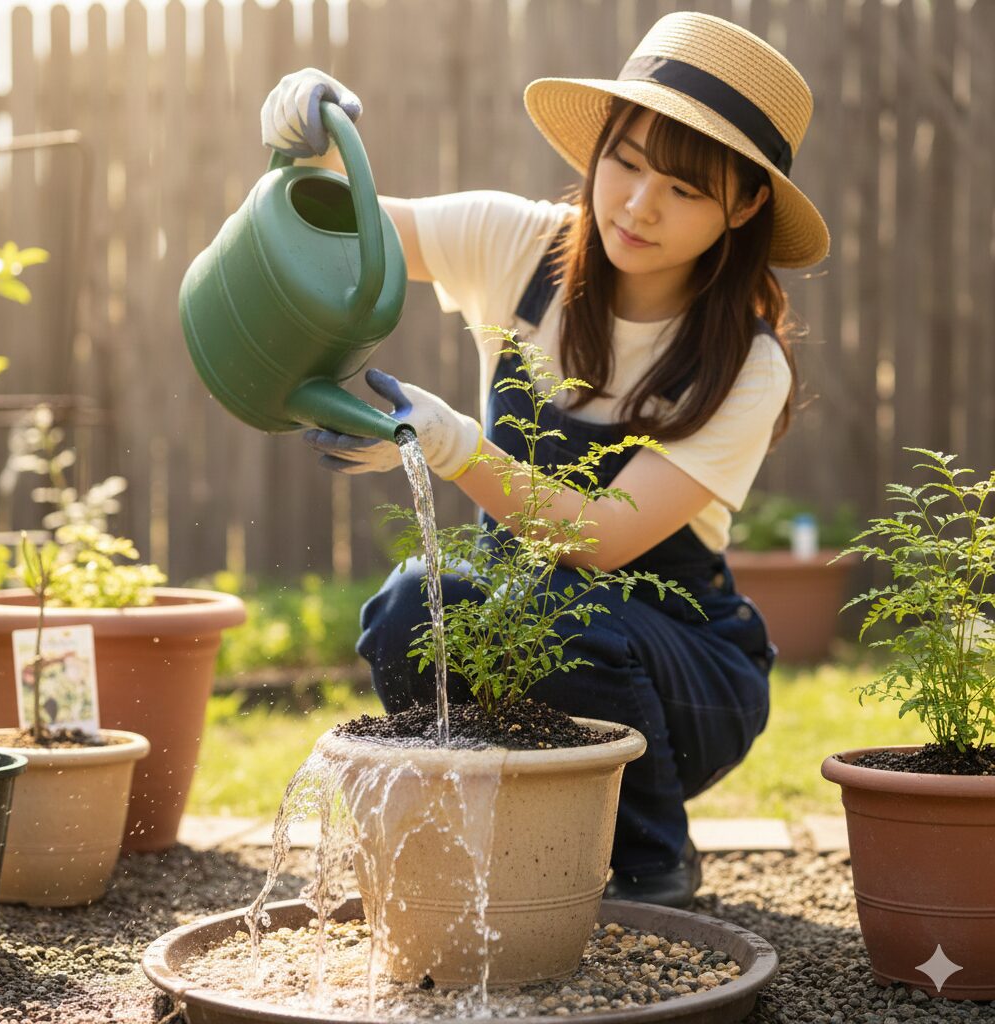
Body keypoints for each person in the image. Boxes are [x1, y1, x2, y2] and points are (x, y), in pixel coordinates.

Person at [261, 11, 829, 908]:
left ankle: (654, 866)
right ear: (598, 149)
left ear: (746, 205)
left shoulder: (744, 363)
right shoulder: (517, 244)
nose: (638, 205)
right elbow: (342, 228)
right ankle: (443, 847)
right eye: (628, 163)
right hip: (521, 616)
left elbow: (600, 542)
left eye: (683, 190)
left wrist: (448, 443)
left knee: (565, 607)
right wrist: (304, 146)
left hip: (684, 679)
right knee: (413, 603)